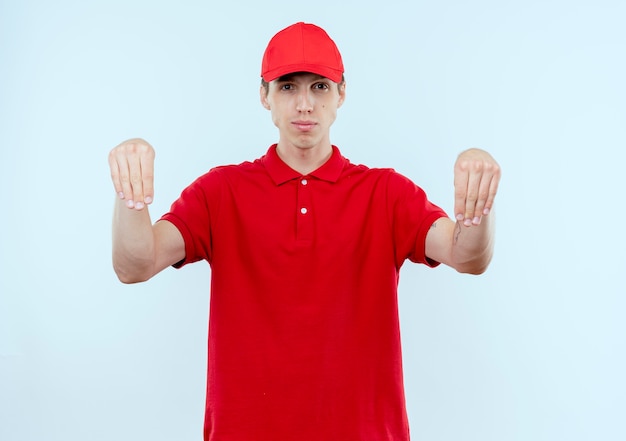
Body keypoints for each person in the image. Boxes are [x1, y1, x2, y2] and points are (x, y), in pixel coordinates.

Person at [108, 22, 500, 441]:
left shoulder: (385, 193)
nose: (305, 105)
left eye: (319, 87)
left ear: (341, 95)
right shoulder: (220, 192)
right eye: (288, 87)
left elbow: (467, 257)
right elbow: (137, 264)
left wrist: (478, 204)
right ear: (265, 97)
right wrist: (131, 195)